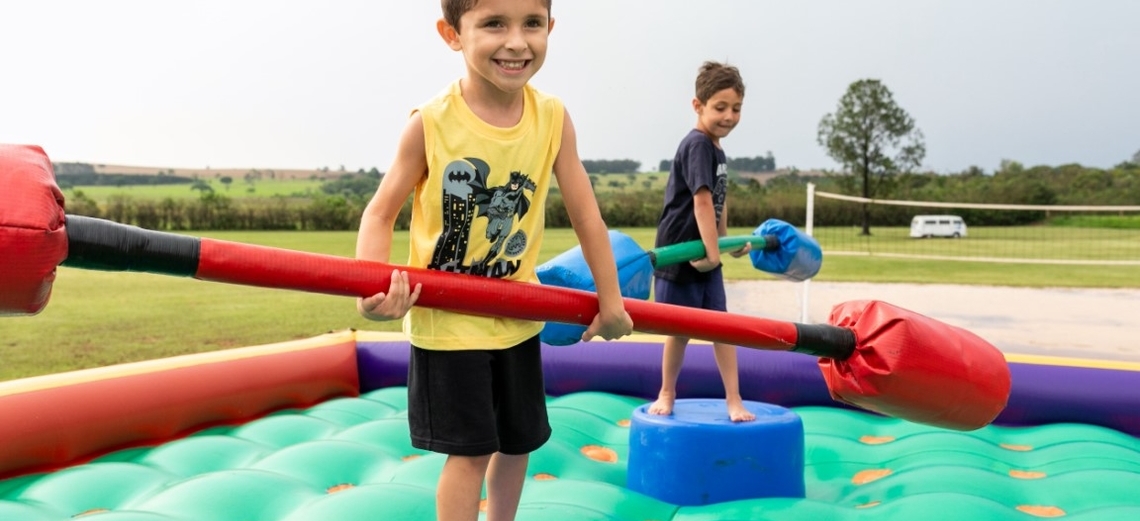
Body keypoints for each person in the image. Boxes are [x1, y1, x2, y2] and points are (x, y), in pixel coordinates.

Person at [354, 1, 633, 520]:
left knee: (519, 441)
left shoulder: (552, 117)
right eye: (493, 24)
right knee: (471, 450)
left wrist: (611, 302)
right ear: (452, 34)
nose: (517, 41)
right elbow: (380, 212)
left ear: (550, 28)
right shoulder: (432, 123)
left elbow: (588, 219)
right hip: (449, 323)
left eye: (531, 23)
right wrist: (372, 293)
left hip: (517, 316)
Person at [647, 61, 756, 423]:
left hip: (707, 254)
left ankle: (734, 399)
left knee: (721, 326)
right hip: (682, 252)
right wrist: (712, 252)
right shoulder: (697, 145)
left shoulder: (717, 149)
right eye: (720, 107)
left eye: (736, 108)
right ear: (698, 106)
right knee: (680, 332)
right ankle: (666, 392)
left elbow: (719, 202)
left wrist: (724, 245)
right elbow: (702, 200)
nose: (729, 116)